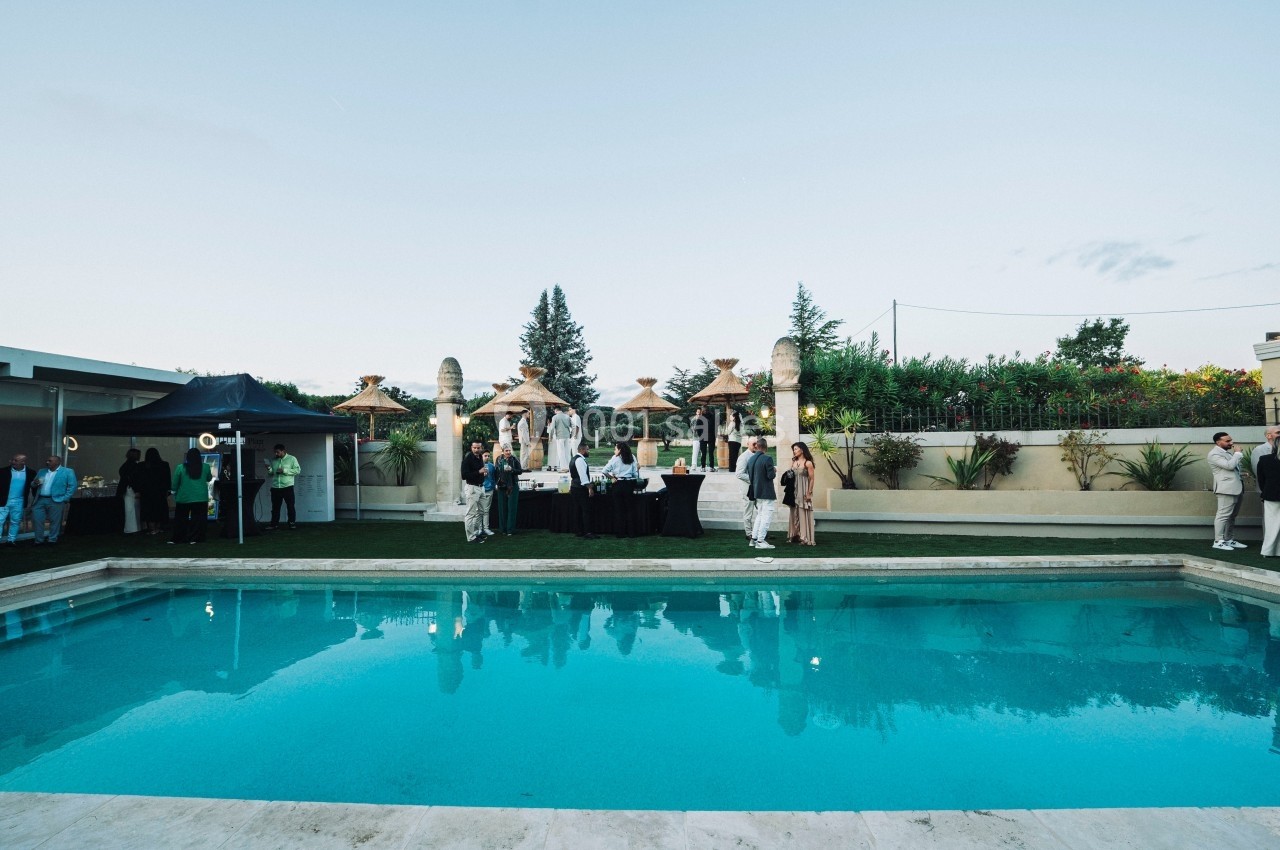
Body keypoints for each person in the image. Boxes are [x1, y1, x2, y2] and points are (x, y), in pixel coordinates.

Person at [1207, 431, 1247, 551]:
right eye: (1227, 441)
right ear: (1218, 442)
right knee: (1223, 516)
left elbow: (1230, 469)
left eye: (1231, 440)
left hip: (1235, 488)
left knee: (1232, 516)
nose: (1231, 442)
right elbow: (1229, 466)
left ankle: (1228, 539)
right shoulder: (1214, 454)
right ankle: (1218, 541)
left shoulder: (1227, 453)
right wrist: (1238, 453)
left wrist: (1241, 473)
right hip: (1226, 490)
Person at [30, 455, 77, 545]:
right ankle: (38, 540)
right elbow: (33, 484)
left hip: (56, 500)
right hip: (40, 499)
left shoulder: (67, 471)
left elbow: (72, 486)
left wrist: (65, 498)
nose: (47, 462)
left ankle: (52, 539)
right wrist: (34, 483)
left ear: (57, 462)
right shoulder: (42, 471)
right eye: (47, 460)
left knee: (55, 521)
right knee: (37, 520)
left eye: (50, 461)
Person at [170, 448, 212, 545]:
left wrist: (173, 491)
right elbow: (209, 478)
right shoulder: (205, 467)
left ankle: (179, 538)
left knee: (181, 519)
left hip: (183, 497)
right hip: (200, 497)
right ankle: (196, 538)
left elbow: (175, 483)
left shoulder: (180, 467)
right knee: (198, 520)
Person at [0, 454, 38, 546]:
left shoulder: (31, 473)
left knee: (15, 521)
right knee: (0, 520)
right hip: (3, 500)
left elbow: (34, 488)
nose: (13, 462)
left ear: (23, 462)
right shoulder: (3, 471)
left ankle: (11, 541)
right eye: (12, 460)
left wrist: (35, 500)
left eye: (16, 460)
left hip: (19, 501)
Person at [747, 437, 777, 549]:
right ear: (766, 447)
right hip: (766, 492)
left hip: (756, 492)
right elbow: (770, 476)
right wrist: (773, 470)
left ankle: (753, 540)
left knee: (759, 515)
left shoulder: (751, 459)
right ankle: (760, 541)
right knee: (766, 516)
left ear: (756, 446)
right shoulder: (767, 458)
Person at [266, 443, 302, 530]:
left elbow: (298, 470)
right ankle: (274, 524)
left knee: (290, 506)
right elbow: (271, 474)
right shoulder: (273, 460)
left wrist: (284, 470)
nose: (276, 454)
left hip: (287, 487)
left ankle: (292, 523)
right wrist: (269, 469)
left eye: (278, 452)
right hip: (275, 488)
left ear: (283, 451)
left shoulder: (292, 459)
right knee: (275, 508)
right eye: (275, 452)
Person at [786, 442, 816, 546]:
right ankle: (795, 535)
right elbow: (790, 476)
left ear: (802, 450)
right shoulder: (794, 462)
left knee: (803, 512)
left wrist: (809, 492)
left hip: (803, 490)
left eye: (795, 449)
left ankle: (805, 537)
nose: (794, 451)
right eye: (793, 449)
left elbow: (812, 479)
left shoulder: (808, 463)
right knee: (794, 512)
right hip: (794, 490)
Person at [139, 447, 172, 535]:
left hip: (147, 492)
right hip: (160, 492)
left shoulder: (142, 465)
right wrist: (168, 491)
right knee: (160, 510)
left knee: (149, 511)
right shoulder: (164, 464)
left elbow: (140, 480)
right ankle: (158, 528)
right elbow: (167, 479)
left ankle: (151, 529)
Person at [461, 440, 488, 543]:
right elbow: (464, 476)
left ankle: (476, 533)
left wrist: (483, 473)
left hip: (481, 488)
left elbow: (480, 471)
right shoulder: (467, 459)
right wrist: (479, 472)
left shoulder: (480, 457)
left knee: (481, 512)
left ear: (481, 448)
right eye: (474, 448)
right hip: (472, 488)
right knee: (471, 514)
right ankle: (471, 537)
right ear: (471, 448)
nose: (476, 450)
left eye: (478, 448)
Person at [1257, 440, 1280, 557]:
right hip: (1271, 494)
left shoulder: (1264, 459)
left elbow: (1261, 480)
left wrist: (1266, 491)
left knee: (1271, 524)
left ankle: (1268, 551)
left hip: (1271, 494)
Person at [569, 442, 597, 539]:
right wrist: (589, 488)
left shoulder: (573, 459)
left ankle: (578, 531)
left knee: (577, 510)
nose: (588, 451)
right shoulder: (580, 460)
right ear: (582, 450)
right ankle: (588, 532)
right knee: (586, 510)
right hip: (580, 488)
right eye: (587, 449)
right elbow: (583, 476)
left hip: (574, 487)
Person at [494, 444, 523, 536]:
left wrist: (512, 469)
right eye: (506, 450)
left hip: (513, 485)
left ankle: (510, 530)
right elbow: (496, 472)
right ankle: (503, 529)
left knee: (512, 508)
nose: (508, 452)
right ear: (503, 451)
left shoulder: (514, 459)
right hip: (502, 486)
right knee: (502, 508)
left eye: (509, 450)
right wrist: (497, 483)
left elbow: (520, 471)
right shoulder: (498, 459)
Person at [735, 437, 759, 542]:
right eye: (753, 444)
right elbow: (739, 473)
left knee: (761, 511)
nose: (756, 445)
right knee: (748, 511)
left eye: (757, 443)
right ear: (748, 444)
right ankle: (748, 533)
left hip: (758, 488)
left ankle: (759, 532)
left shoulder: (758, 455)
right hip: (748, 488)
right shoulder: (744, 457)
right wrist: (753, 480)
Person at [117, 447, 143, 534]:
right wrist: (137, 490)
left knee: (129, 509)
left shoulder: (125, 465)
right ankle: (133, 528)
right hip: (131, 489)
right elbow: (135, 480)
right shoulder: (135, 466)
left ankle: (131, 527)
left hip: (126, 489)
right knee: (132, 509)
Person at [550, 407, 573, 472]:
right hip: (567, 436)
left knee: (561, 452)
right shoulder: (567, 417)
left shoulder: (555, 417)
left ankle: (563, 468)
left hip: (560, 436)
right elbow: (572, 426)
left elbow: (552, 428)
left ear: (556, 410)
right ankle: (569, 467)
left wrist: (551, 436)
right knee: (567, 452)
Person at [480, 451, 497, 537]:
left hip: (489, 490)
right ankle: (479, 529)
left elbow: (494, 477)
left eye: (488, 456)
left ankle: (486, 528)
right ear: (481, 456)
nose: (487, 457)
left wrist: (493, 486)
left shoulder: (491, 466)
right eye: (485, 456)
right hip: (479, 489)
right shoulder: (477, 465)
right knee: (479, 510)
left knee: (486, 510)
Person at [690, 406, 709, 471]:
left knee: (703, 452)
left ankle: (703, 465)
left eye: (700, 412)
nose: (699, 413)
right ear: (696, 412)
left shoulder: (704, 419)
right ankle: (693, 465)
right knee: (695, 452)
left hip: (703, 438)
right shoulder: (693, 420)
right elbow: (693, 429)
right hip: (696, 438)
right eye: (698, 412)